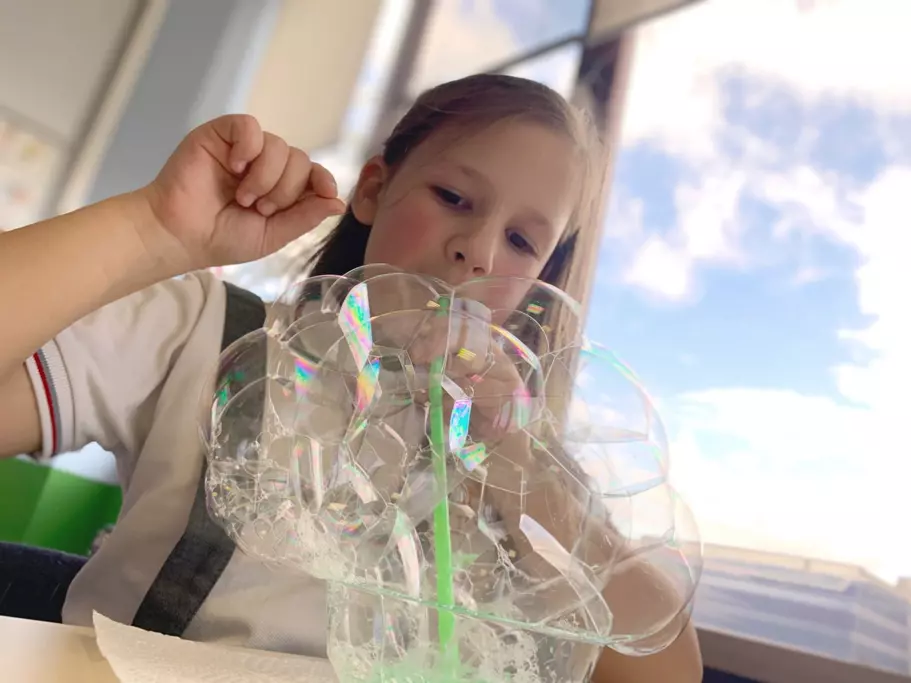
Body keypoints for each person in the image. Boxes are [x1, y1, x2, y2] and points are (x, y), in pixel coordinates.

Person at [0, 74, 701, 682]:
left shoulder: (519, 466)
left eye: (522, 240)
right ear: (373, 189)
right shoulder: (205, 331)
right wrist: (153, 230)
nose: (478, 250)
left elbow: (665, 671)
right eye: (453, 196)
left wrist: (514, 458)